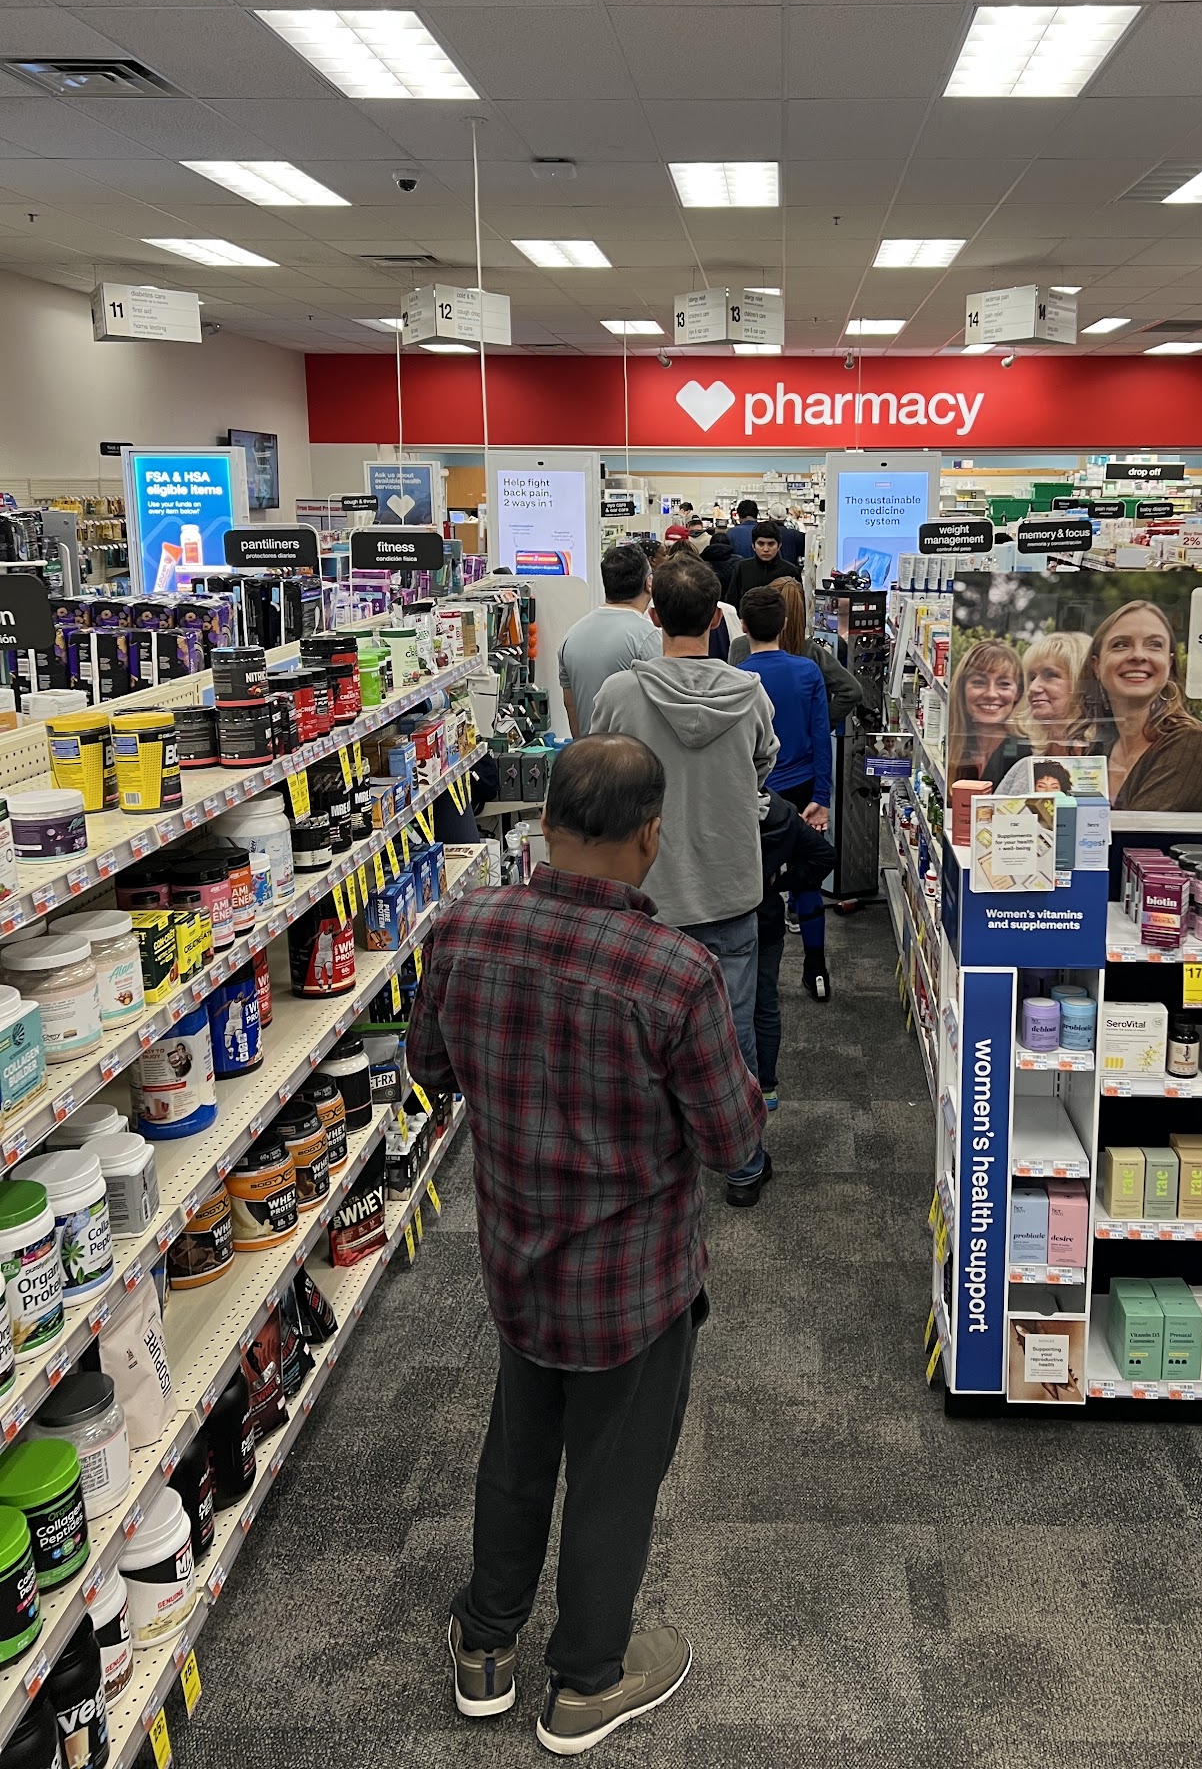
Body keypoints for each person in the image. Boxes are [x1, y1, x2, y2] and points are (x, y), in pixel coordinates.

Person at [411, 736, 765, 1755]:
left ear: (545, 821)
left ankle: (485, 1643)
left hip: (516, 1260)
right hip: (631, 1287)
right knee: (614, 1477)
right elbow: (733, 1143)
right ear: (652, 835)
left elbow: (429, 1066)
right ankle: (586, 1681)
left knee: (517, 1452)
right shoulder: (676, 973)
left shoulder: (464, 927)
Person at [591, 553, 778, 1201]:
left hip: (646, 892)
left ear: (654, 615)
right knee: (732, 1032)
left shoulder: (619, 695)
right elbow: (763, 767)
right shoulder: (750, 694)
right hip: (730, 885)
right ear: (717, 618)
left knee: (637, 1040)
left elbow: (596, 771)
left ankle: (649, 1163)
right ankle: (744, 1163)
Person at [736, 584, 834, 1000]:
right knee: (808, 878)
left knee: (751, 882)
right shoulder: (808, 671)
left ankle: (757, 977)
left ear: (743, 626)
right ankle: (817, 969)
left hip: (755, 792)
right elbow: (821, 736)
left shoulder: (738, 677)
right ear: (786, 624)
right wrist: (823, 797)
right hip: (803, 787)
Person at [1067, 600, 1202, 810]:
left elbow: (1137, 831)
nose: (1138, 656)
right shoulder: (1099, 748)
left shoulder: (1189, 743)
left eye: (1155, 645)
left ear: (1169, 663)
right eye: (1121, 644)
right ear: (1097, 666)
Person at [754, 790, 835, 1110]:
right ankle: (766, 1088)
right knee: (765, 1001)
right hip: (766, 919)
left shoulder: (708, 805)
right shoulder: (783, 813)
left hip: (718, 917)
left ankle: (730, 1088)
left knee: (726, 1005)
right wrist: (779, 884)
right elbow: (825, 856)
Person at [729, 576, 862, 729]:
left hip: (753, 737)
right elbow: (851, 690)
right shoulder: (811, 654)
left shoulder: (740, 647)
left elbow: (733, 700)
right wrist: (820, 725)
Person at [557, 543, 660, 738]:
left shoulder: (571, 636)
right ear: (649, 583)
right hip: (633, 753)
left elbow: (570, 704)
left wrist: (582, 747)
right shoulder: (648, 637)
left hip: (588, 750)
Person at [983, 629, 1094, 789]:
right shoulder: (1018, 752)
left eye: (1050, 675)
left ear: (1082, 682)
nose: (1033, 688)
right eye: (1032, 677)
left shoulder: (1105, 751)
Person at [948, 639, 1029, 793]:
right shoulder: (945, 745)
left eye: (1004, 684)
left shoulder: (1027, 754)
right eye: (979, 682)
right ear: (962, 690)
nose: (991, 694)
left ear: (1018, 693)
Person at [723, 521, 800, 607]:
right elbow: (731, 602)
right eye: (761, 544)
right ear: (753, 546)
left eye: (771, 544)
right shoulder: (742, 568)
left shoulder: (791, 571)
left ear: (779, 546)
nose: (766, 549)